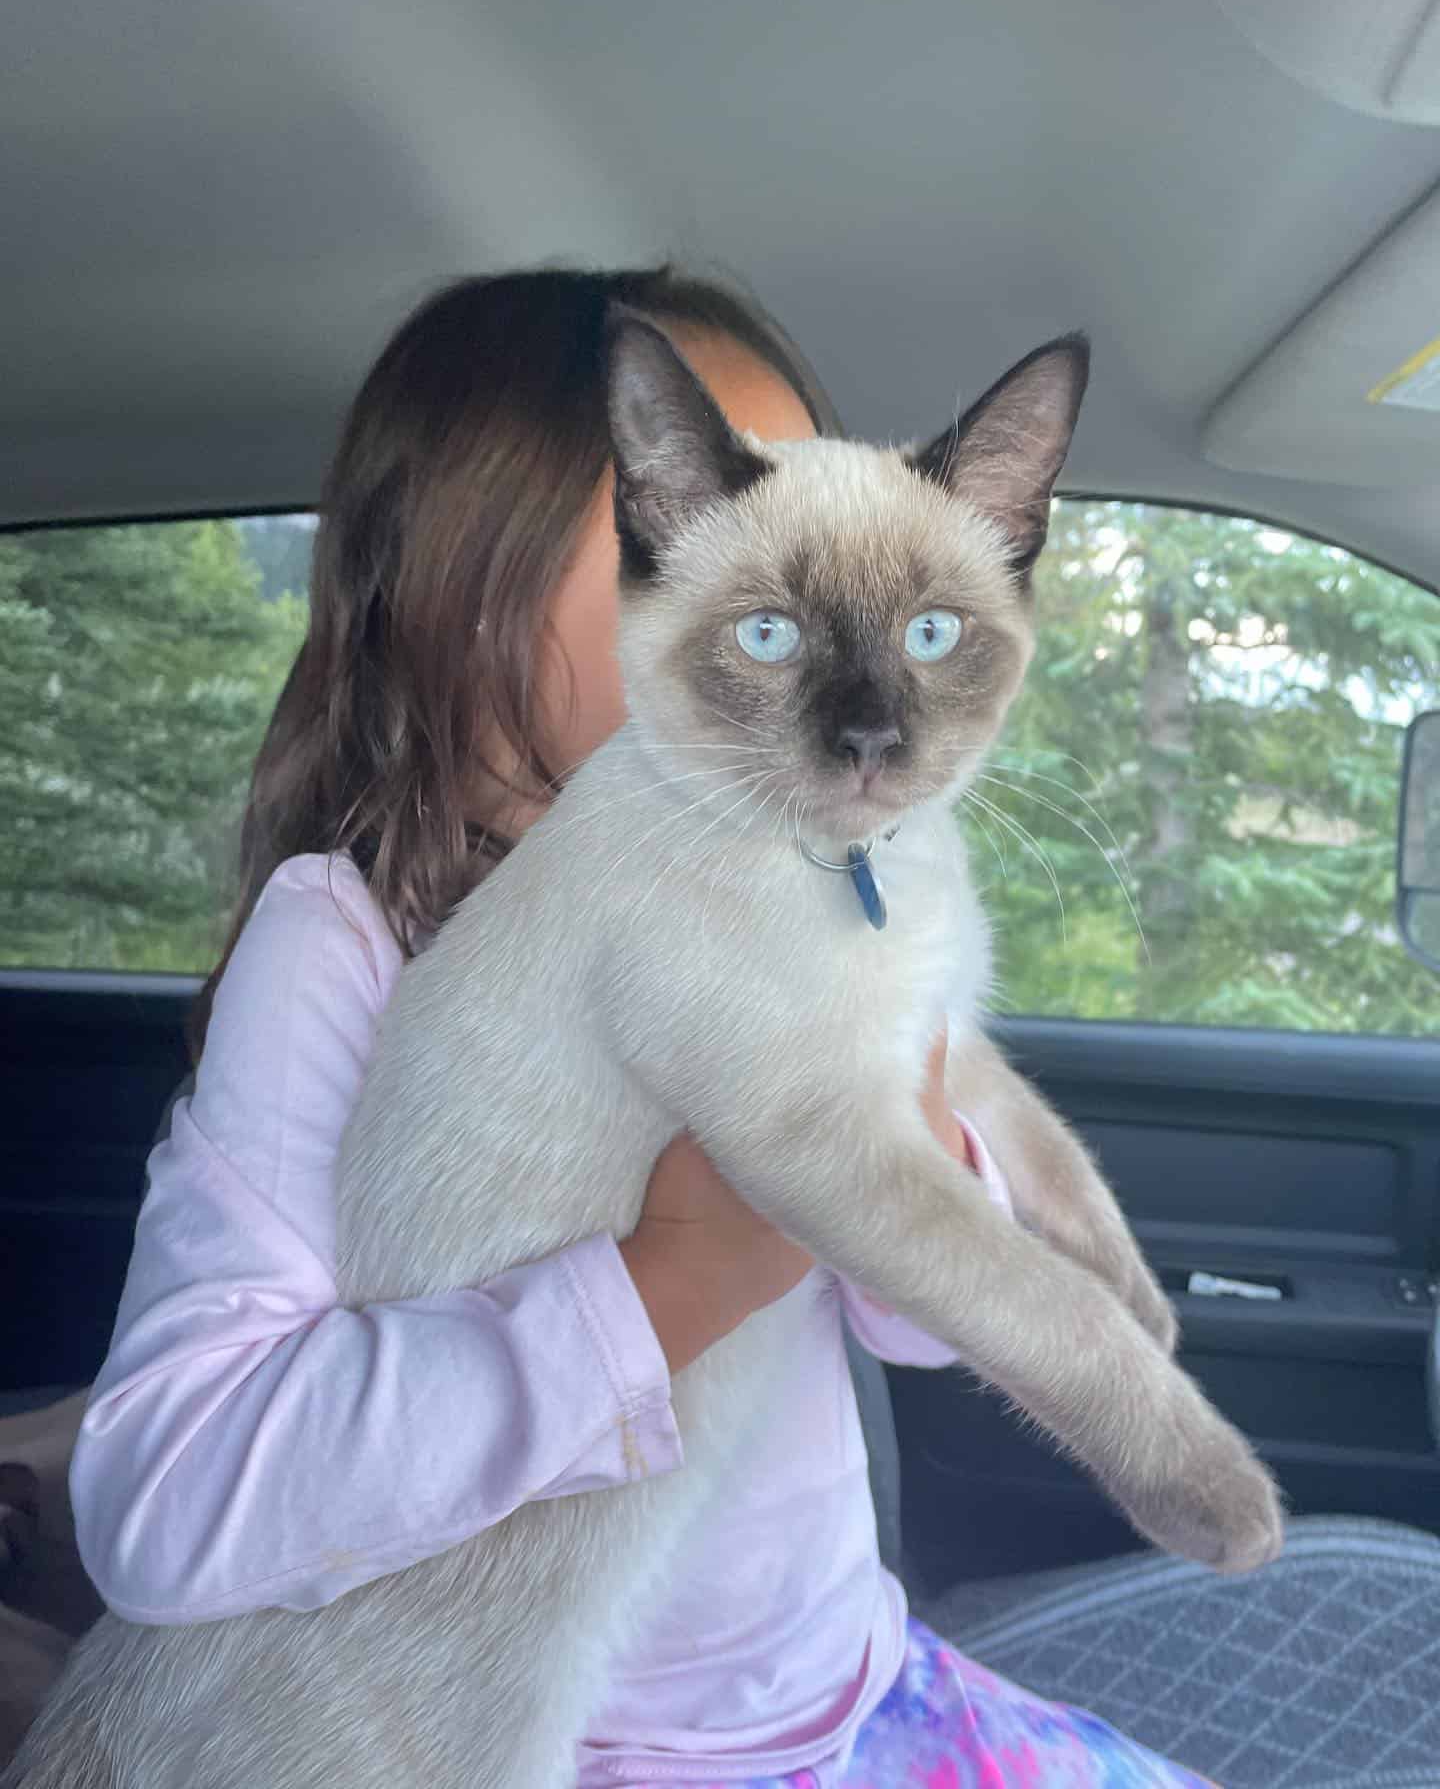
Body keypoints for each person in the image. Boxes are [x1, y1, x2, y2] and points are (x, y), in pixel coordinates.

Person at [44, 268, 1213, 1786]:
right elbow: (165, 1500)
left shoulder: (824, 878)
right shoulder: (344, 945)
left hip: (852, 1685)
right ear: (454, 584)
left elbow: (913, 1332)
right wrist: (666, 1287)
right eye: (712, 520)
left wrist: (921, 1169)